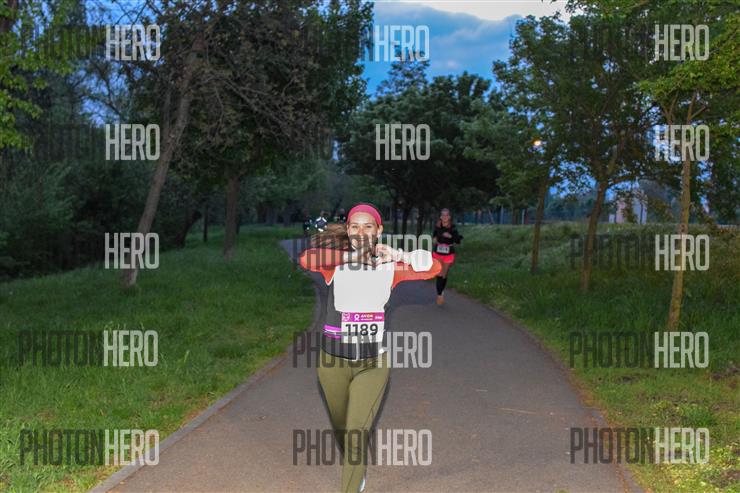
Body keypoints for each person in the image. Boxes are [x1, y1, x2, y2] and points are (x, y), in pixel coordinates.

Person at [299, 203, 441, 493]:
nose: (361, 232)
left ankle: (351, 483)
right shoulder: (335, 264)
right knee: (343, 429)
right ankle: (356, 463)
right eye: (355, 226)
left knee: (355, 432)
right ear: (348, 230)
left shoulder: (389, 267)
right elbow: (306, 259)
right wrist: (353, 257)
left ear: (379, 231)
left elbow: (433, 267)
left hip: (372, 363)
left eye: (368, 226)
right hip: (333, 363)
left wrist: (400, 255)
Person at [432, 208, 463, 306]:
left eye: (446, 215)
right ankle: (439, 295)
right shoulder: (437, 227)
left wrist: (451, 237)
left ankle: (441, 291)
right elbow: (434, 236)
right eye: (443, 215)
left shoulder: (453, 228)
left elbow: (458, 241)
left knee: (444, 275)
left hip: (448, 253)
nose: (445, 217)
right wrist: (434, 239)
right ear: (440, 217)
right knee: (439, 273)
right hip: (438, 252)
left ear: (449, 217)